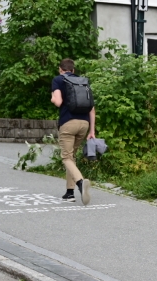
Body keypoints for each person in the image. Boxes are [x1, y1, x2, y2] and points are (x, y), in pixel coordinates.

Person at [50, 58, 95, 204]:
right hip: (84, 124)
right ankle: (69, 193)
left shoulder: (58, 80)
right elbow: (92, 108)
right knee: (72, 157)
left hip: (68, 123)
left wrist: (52, 98)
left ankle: (81, 183)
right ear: (73, 70)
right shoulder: (83, 81)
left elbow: (58, 102)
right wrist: (92, 131)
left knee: (66, 158)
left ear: (60, 69)